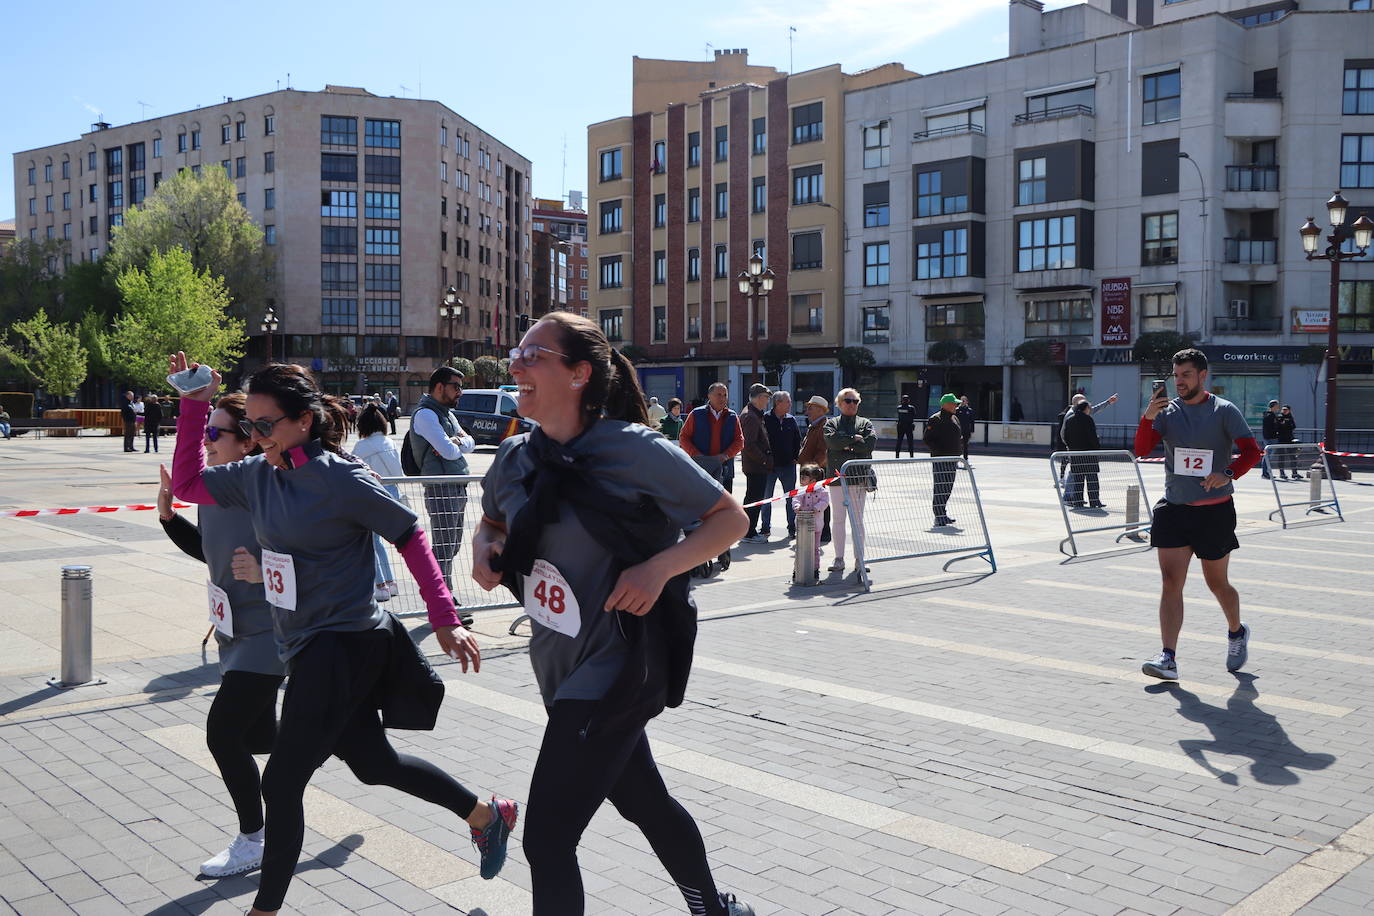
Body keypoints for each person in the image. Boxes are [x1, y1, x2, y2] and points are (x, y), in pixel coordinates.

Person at [168, 356, 517, 915]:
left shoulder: (339, 475)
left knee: (281, 784)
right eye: (249, 426)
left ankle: (265, 909)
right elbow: (187, 483)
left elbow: (409, 536)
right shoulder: (257, 475)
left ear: (304, 420)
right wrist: (192, 403)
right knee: (374, 765)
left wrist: (445, 616)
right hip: (306, 645)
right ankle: (485, 814)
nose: (255, 437)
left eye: (265, 426)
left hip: (346, 644)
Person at [470, 312, 756, 916]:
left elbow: (731, 520)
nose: (516, 362)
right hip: (557, 664)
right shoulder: (516, 457)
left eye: (534, 354)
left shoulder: (632, 449)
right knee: (644, 800)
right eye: (518, 351)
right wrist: (484, 550)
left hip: (620, 668)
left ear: (578, 374)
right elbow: (492, 519)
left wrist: (658, 569)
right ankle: (716, 909)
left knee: (547, 840)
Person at [156, 392, 285, 878]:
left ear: (247, 442)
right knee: (261, 737)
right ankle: (332, 731)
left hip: (269, 635)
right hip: (236, 633)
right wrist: (171, 520)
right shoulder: (214, 491)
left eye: (214, 433)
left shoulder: (261, 486)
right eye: (203, 432)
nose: (204, 443)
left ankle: (254, 838)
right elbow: (209, 552)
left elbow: (308, 551)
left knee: (222, 734)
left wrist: (264, 568)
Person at [1134, 348, 1262, 681]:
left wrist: (1228, 473)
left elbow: (1252, 452)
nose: (1179, 382)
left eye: (1186, 375)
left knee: (1216, 583)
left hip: (1214, 511)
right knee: (1170, 582)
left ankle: (1236, 631)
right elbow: (1142, 449)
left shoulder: (1224, 410)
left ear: (1203, 376)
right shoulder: (1166, 411)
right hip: (1175, 509)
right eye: (1176, 376)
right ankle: (1168, 657)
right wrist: (1147, 418)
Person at [407, 366, 476, 599]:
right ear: (439, 387)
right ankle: (443, 597)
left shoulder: (445, 412)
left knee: (453, 544)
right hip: (441, 487)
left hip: (456, 484)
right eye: (456, 386)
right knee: (444, 546)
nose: (461, 392)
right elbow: (449, 452)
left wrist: (457, 442)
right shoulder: (426, 414)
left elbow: (470, 442)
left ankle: (442, 594)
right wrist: (456, 443)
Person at [353, 404, 404, 602]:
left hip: (373, 496)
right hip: (393, 493)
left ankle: (380, 585)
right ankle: (390, 583)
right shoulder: (389, 442)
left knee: (370, 542)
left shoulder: (361, 447)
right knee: (380, 543)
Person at [823, 388, 875, 573]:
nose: (852, 404)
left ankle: (860, 559)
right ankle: (839, 558)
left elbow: (870, 444)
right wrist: (854, 440)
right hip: (837, 479)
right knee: (838, 519)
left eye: (855, 401)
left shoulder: (865, 423)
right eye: (848, 401)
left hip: (859, 478)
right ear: (839, 403)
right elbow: (831, 442)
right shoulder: (832, 423)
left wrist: (846, 446)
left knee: (858, 520)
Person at [678, 382, 743, 494]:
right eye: (719, 394)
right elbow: (684, 437)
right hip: (700, 468)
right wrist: (696, 455)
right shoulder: (696, 414)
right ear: (709, 396)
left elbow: (740, 441)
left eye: (725, 395)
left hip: (725, 468)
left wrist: (725, 455)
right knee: (700, 504)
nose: (722, 398)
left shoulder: (732, 416)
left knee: (723, 507)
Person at [762, 390, 802, 539]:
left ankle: (792, 527)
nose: (790, 404)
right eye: (788, 402)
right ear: (778, 403)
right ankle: (765, 528)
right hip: (769, 467)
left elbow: (797, 439)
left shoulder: (791, 420)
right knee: (766, 499)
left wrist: (795, 457)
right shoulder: (765, 419)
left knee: (791, 499)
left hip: (788, 466)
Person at [738, 383, 774, 544]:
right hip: (756, 466)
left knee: (753, 498)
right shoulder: (750, 416)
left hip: (756, 465)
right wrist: (765, 460)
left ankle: (748, 530)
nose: (767, 401)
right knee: (754, 499)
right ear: (759, 397)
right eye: (766, 398)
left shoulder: (753, 414)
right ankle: (749, 532)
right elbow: (749, 444)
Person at [797, 395, 832, 543]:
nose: (807, 411)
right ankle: (820, 531)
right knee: (814, 502)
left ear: (820, 410)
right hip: (812, 472)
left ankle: (824, 532)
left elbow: (823, 452)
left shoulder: (823, 426)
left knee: (821, 502)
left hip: (816, 473)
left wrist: (813, 472)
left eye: (810, 408)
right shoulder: (815, 425)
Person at [925, 393, 963, 527]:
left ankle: (943, 513)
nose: (956, 406)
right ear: (946, 405)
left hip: (953, 459)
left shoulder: (955, 418)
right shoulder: (935, 419)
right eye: (954, 404)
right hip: (941, 459)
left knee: (948, 487)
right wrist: (940, 452)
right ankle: (938, 515)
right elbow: (928, 439)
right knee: (940, 487)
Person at [1061, 400, 1104, 509]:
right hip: (1089, 454)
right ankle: (1094, 501)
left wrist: (1071, 447)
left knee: (1078, 480)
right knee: (1092, 479)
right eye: (1089, 408)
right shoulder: (1088, 419)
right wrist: (1097, 447)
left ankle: (1078, 501)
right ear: (1086, 409)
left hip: (1075, 454)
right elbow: (1092, 437)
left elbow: (1065, 436)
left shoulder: (1070, 420)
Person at [792, 464, 830, 580]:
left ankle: (815, 569)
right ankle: (797, 569)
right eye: (801, 477)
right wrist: (797, 506)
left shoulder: (823, 491)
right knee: (800, 548)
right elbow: (795, 499)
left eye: (804, 478)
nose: (801, 480)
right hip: (802, 525)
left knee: (815, 548)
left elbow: (825, 502)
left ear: (813, 480)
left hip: (816, 525)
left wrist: (816, 507)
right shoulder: (801, 490)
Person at [1274, 404, 1302, 480]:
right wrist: (1285, 424)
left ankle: (1294, 472)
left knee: (1293, 456)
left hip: (1290, 439)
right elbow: (1278, 426)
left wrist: (1286, 424)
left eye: (1286, 410)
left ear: (1289, 410)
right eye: (1283, 409)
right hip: (1281, 439)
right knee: (1281, 456)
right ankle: (1282, 473)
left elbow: (1293, 426)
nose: (1284, 411)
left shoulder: (1290, 417)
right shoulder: (1279, 417)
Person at [894, 393, 918, 458]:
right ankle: (911, 455)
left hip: (900, 426)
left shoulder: (899, 408)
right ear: (908, 400)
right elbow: (914, 415)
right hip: (909, 426)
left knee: (899, 441)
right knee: (910, 441)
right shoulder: (911, 408)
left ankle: (897, 455)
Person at [956, 395, 975, 462]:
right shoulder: (957, 410)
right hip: (958, 430)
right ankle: (956, 459)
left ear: (967, 401)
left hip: (966, 430)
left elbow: (972, 421)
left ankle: (965, 459)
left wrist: (972, 430)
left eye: (965, 400)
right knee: (957, 445)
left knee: (965, 445)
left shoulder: (969, 410)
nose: (963, 402)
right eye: (962, 400)